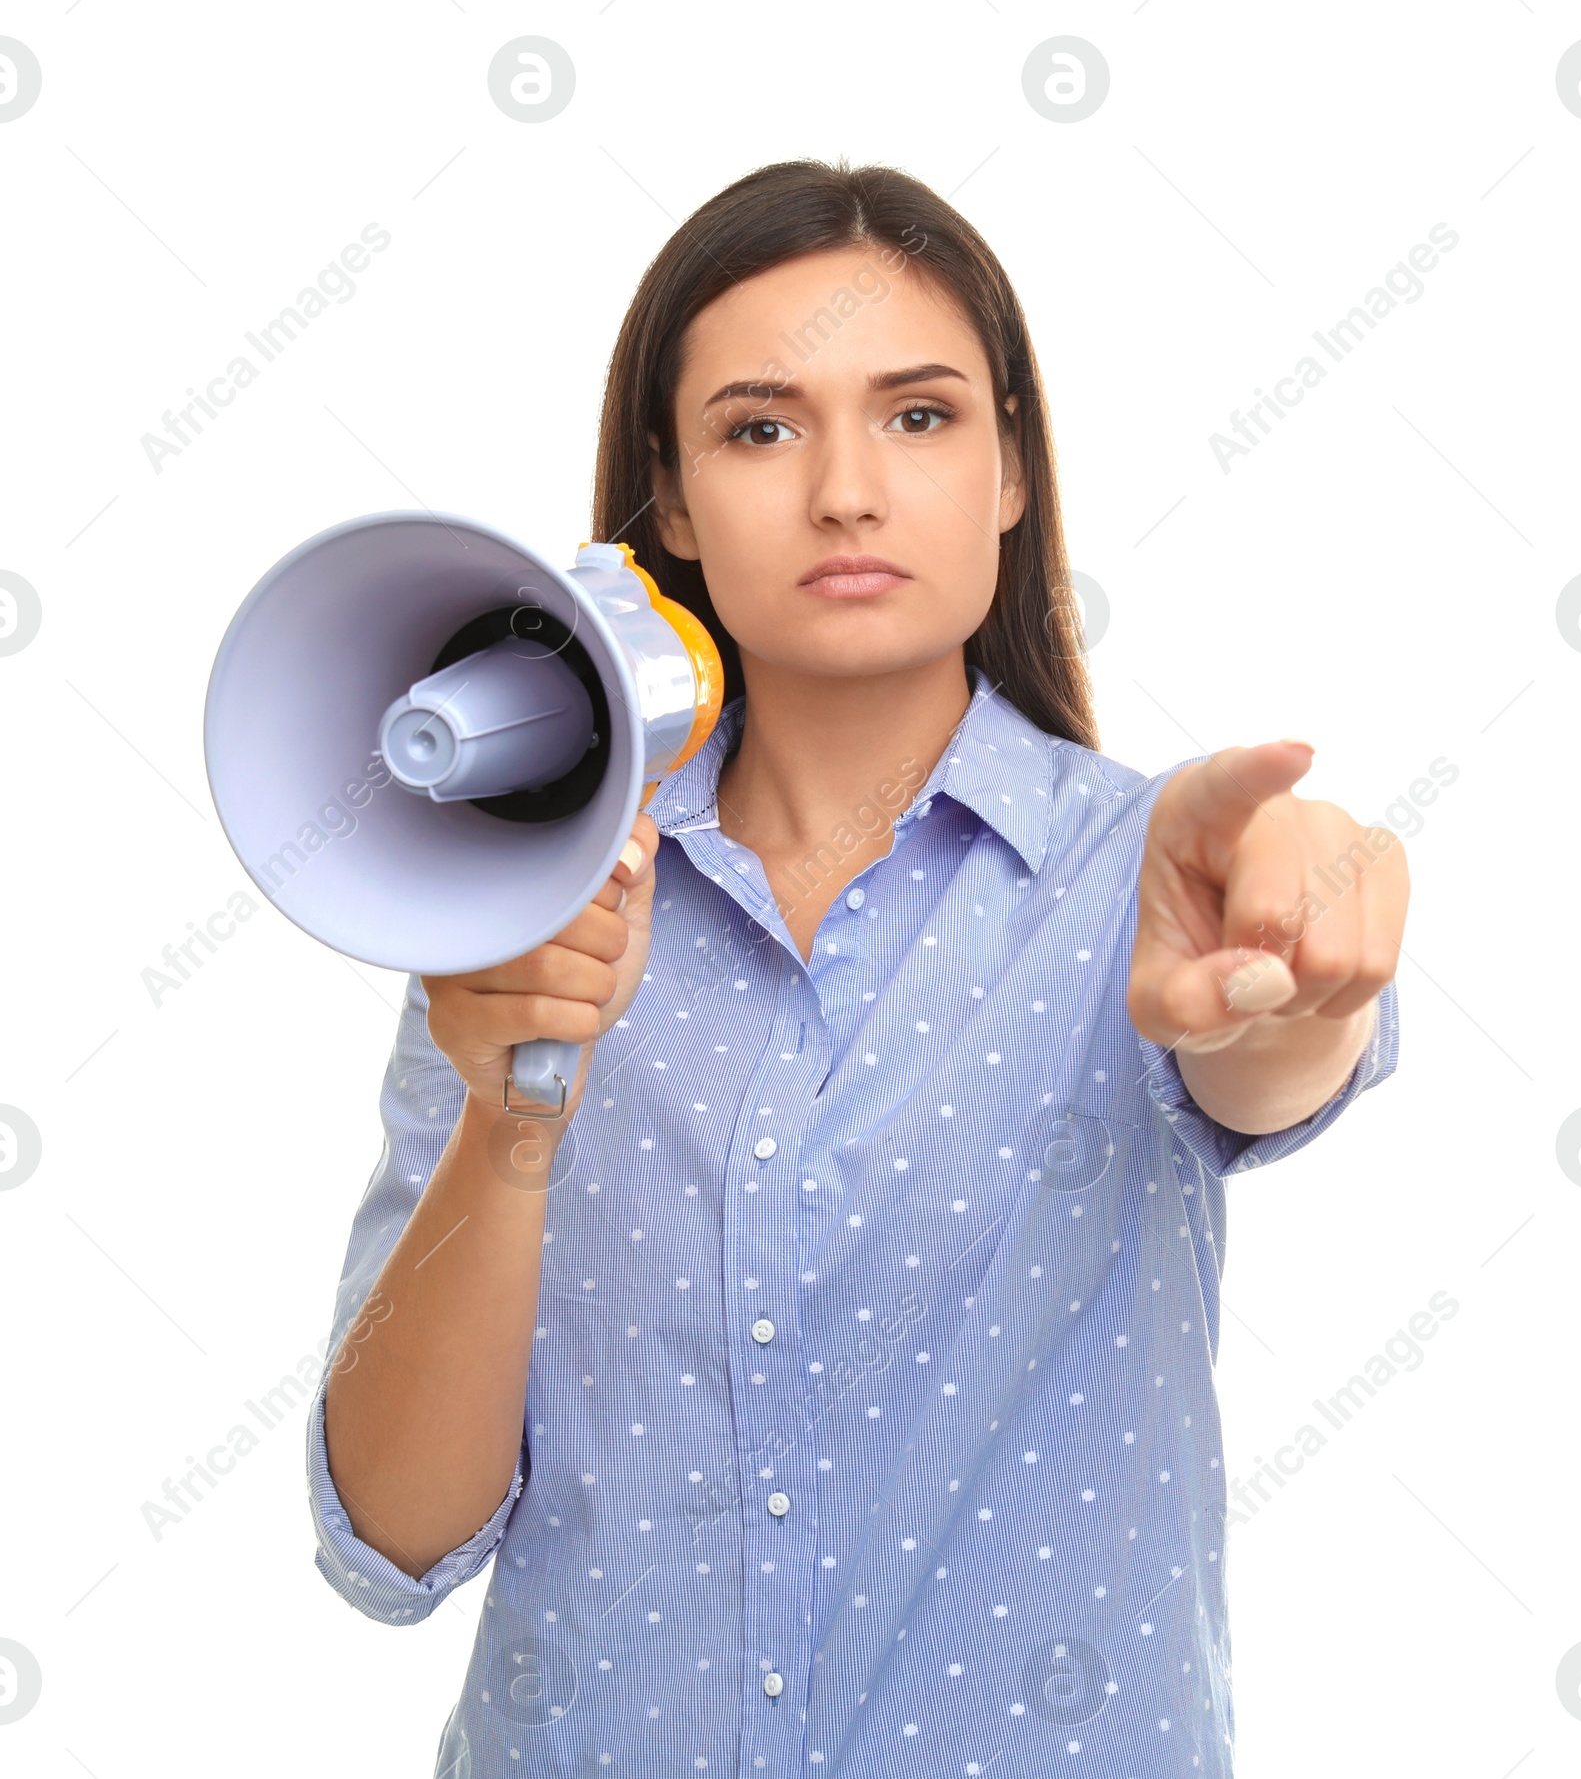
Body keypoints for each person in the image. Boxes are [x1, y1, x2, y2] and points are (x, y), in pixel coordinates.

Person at [307, 158, 1406, 1779]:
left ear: (1013, 469)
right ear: (670, 499)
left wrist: (1299, 978)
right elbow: (393, 1541)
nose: (844, 490)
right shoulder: (524, 928)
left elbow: (1266, 1052)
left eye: (919, 416)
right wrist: (513, 1121)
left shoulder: (1156, 878)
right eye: (760, 427)